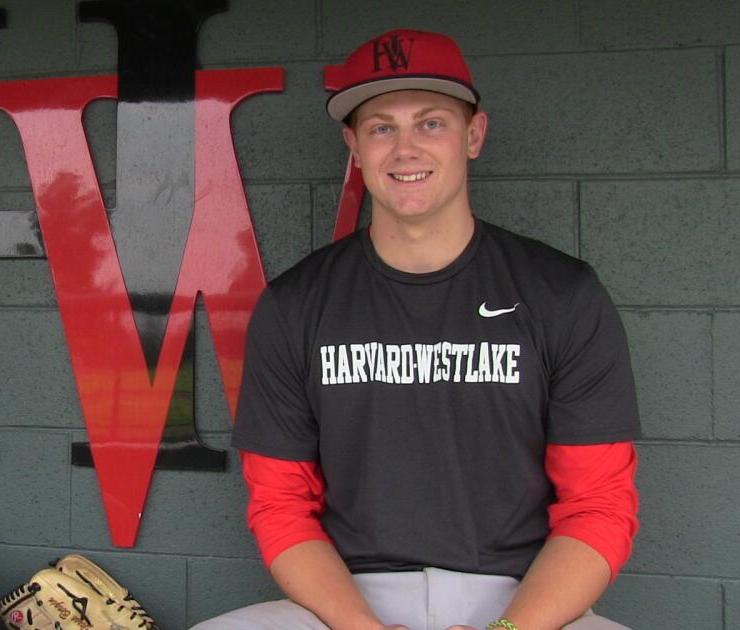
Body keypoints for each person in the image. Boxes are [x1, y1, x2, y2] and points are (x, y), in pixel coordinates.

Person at [193, 29, 640, 630]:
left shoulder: (562, 293)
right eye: (381, 127)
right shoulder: (295, 304)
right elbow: (280, 507)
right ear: (353, 145)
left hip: (519, 601)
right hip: (351, 600)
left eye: (431, 123)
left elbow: (599, 508)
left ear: (474, 135)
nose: (405, 149)